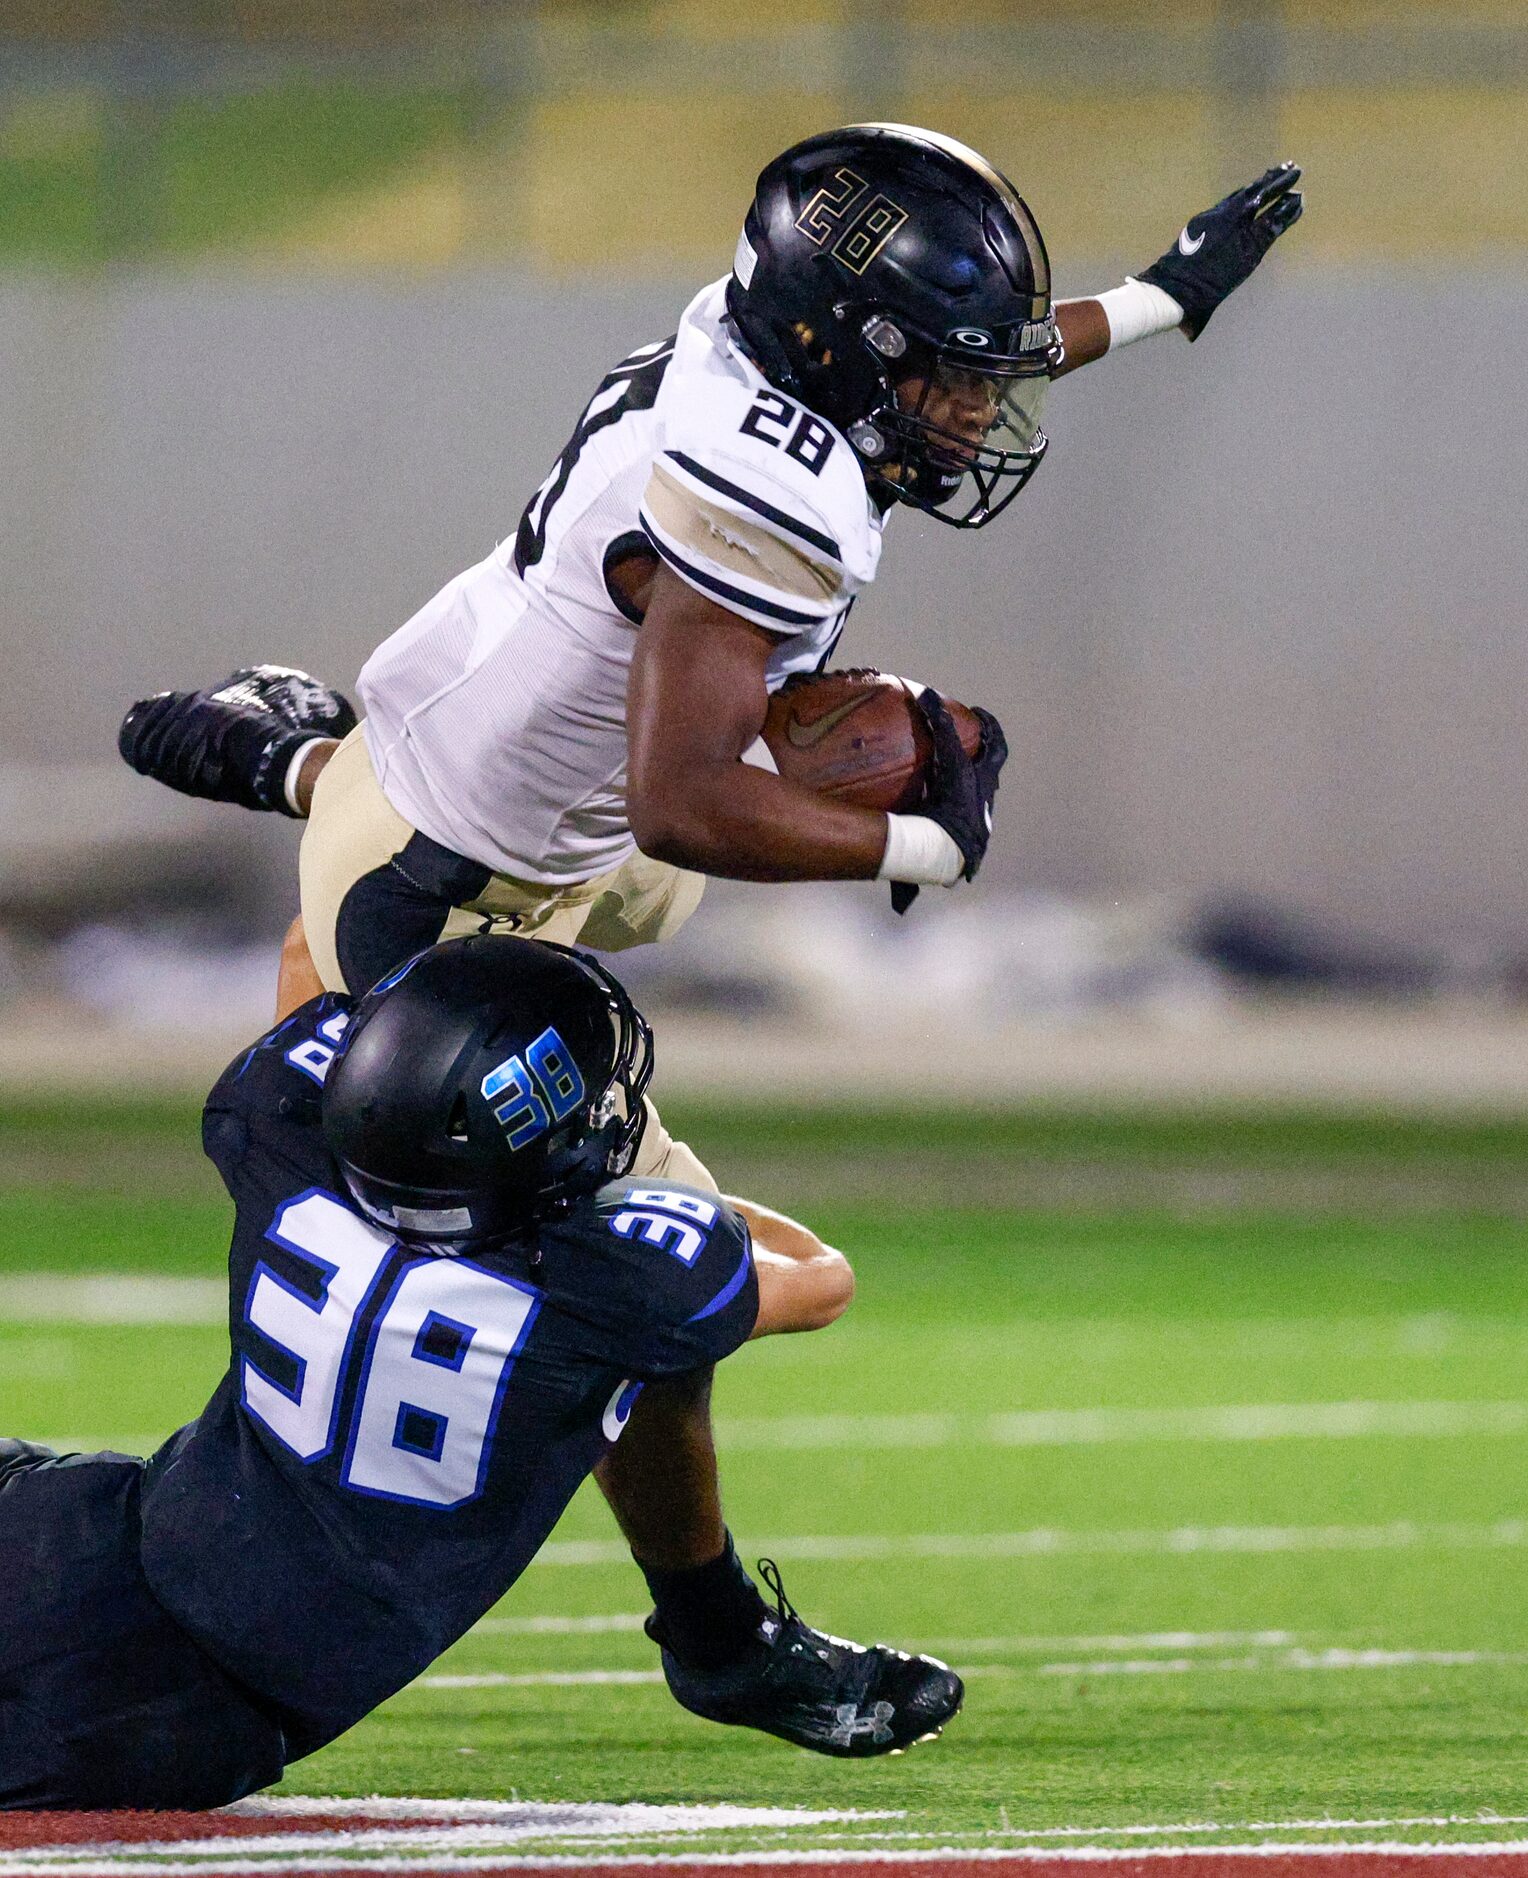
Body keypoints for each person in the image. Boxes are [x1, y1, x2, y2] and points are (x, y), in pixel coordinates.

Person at [119, 124, 1304, 1022]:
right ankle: (312, 775)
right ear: (841, 345)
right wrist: (926, 849)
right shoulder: (765, 488)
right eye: (952, 379)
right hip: (465, 866)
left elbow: (970, 346)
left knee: (629, 874)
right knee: (569, 1253)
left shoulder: (755, 331)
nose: (978, 412)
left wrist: (1165, 298)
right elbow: (681, 802)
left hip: (526, 747)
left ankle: (313, 763)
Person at [0, 936, 959, 1809]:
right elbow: (822, 1278)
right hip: (182, 1710)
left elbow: (314, 962)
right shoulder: (607, 1290)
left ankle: (724, 1637)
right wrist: (654, 1171)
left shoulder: (275, 1128)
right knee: (662, 1364)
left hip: (86, 1530)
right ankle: (721, 1638)